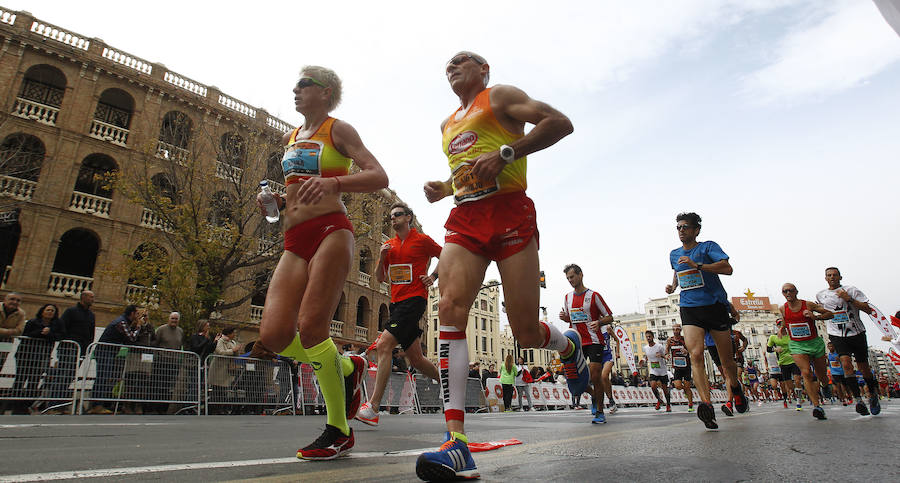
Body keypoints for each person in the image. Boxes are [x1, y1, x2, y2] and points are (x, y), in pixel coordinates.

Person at [416, 51, 576, 481]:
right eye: (446, 65)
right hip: (465, 218)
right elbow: (469, 172)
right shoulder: (447, 124)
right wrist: (445, 187)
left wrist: (508, 152)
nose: (452, 68)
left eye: (462, 62)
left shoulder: (500, 97)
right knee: (450, 310)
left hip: (510, 213)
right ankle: (457, 443)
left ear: (484, 71)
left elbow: (560, 123)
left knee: (524, 330)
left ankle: (567, 345)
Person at [255, 65, 388, 460]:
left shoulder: (338, 130)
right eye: (295, 85)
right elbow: (297, 190)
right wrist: (277, 203)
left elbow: (378, 175)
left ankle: (338, 429)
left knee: (313, 327)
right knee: (274, 335)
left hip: (332, 229)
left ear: (325, 92)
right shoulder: (290, 137)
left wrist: (335, 183)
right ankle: (347, 368)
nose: (295, 90)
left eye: (303, 84)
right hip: (294, 238)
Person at [356, 201, 441, 426]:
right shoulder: (389, 245)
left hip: (414, 301)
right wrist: (382, 257)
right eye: (391, 216)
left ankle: (373, 407)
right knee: (417, 359)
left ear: (408, 217)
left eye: (398, 215)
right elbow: (380, 278)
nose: (393, 219)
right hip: (396, 303)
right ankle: (449, 385)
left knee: (384, 345)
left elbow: (447, 255)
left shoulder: (422, 240)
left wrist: (433, 277)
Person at [665, 212, 743, 430]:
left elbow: (727, 269)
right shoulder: (673, 254)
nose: (681, 230)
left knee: (727, 363)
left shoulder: (708, 247)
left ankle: (735, 388)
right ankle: (706, 405)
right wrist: (673, 287)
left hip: (714, 306)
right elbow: (679, 274)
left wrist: (699, 265)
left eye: (686, 227)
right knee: (696, 353)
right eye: (678, 227)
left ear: (696, 230)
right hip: (690, 308)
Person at [815, 267, 880, 416]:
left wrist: (849, 299)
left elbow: (868, 309)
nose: (832, 277)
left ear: (840, 277)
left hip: (856, 332)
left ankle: (873, 394)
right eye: (829, 275)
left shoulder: (851, 290)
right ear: (825, 278)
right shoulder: (821, 295)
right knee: (846, 364)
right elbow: (822, 311)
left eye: (835, 275)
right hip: (836, 333)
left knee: (864, 368)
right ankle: (859, 400)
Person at [559, 263, 614, 423]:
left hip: (594, 340)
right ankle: (594, 396)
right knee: (575, 377)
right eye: (568, 278)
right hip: (576, 341)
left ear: (580, 275)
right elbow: (572, 319)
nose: (570, 280)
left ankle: (600, 412)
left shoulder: (594, 295)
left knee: (596, 375)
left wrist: (599, 322)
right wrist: (565, 318)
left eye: (572, 276)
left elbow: (609, 316)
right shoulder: (567, 297)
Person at [780, 282, 833, 420]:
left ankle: (825, 385)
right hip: (797, 344)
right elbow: (787, 322)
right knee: (806, 373)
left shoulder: (808, 305)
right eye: (785, 291)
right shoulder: (782, 309)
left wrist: (815, 317)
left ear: (796, 291)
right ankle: (817, 406)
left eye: (790, 290)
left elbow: (830, 314)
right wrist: (782, 328)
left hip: (814, 343)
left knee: (821, 375)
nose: (788, 293)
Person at [12, 304, 64, 413]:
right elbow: (25, 335)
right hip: (26, 355)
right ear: (42, 311)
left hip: (42, 356)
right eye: (48, 310)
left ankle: (26, 405)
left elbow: (60, 336)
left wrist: (49, 333)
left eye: (52, 311)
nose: (50, 312)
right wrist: (41, 332)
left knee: (34, 381)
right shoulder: (33, 322)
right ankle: (15, 405)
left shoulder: (55, 325)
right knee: (20, 379)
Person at [89, 305, 141, 414]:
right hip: (105, 351)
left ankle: (99, 404)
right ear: (131, 314)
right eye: (137, 313)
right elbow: (131, 338)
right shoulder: (121, 322)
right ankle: (96, 405)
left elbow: (127, 340)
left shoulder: (124, 322)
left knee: (105, 377)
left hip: (109, 352)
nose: (138, 316)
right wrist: (138, 328)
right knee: (103, 377)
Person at [49, 291, 95, 403]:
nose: (93, 299)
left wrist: (87, 347)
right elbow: (62, 327)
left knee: (70, 376)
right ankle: (53, 402)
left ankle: (60, 402)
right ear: (83, 297)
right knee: (62, 375)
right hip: (69, 348)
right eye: (91, 297)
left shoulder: (91, 315)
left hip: (81, 350)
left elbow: (91, 333)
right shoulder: (71, 311)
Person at [153, 311, 184, 414]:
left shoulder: (180, 331)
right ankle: (154, 407)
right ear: (169, 319)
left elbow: (180, 346)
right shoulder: (161, 329)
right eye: (172, 318)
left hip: (173, 363)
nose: (174, 321)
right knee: (158, 385)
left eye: (176, 319)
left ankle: (164, 408)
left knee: (168, 386)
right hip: (161, 362)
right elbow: (155, 343)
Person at [767, 318, 801, 409]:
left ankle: (799, 401)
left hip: (794, 360)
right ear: (777, 326)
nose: (781, 326)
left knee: (797, 380)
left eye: (783, 324)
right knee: (790, 386)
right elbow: (768, 349)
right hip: (783, 363)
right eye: (779, 324)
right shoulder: (773, 337)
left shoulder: (791, 335)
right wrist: (775, 349)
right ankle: (795, 393)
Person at [666, 324, 694, 412]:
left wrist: (687, 351)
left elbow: (692, 350)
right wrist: (666, 355)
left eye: (677, 329)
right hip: (677, 367)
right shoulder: (670, 340)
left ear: (680, 330)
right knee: (677, 386)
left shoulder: (684, 339)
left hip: (686, 367)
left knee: (687, 386)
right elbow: (666, 350)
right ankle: (685, 391)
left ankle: (690, 404)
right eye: (673, 329)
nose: (675, 331)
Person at [643, 330, 671, 412]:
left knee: (665, 389)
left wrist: (661, 355)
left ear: (653, 337)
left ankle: (668, 405)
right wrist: (643, 360)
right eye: (647, 337)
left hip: (662, 370)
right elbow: (646, 356)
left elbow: (666, 356)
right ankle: (659, 400)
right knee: (653, 386)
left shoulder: (659, 346)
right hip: (653, 370)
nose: (648, 338)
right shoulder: (645, 348)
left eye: (649, 336)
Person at [0, 292, 26, 369]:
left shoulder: (21, 314)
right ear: (5, 300)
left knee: (1, 362)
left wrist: (3, 332)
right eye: (12, 299)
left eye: (18, 300)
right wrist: (10, 332)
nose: (15, 302)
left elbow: (19, 331)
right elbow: (15, 331)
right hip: (8, 337)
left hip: (6, 341)